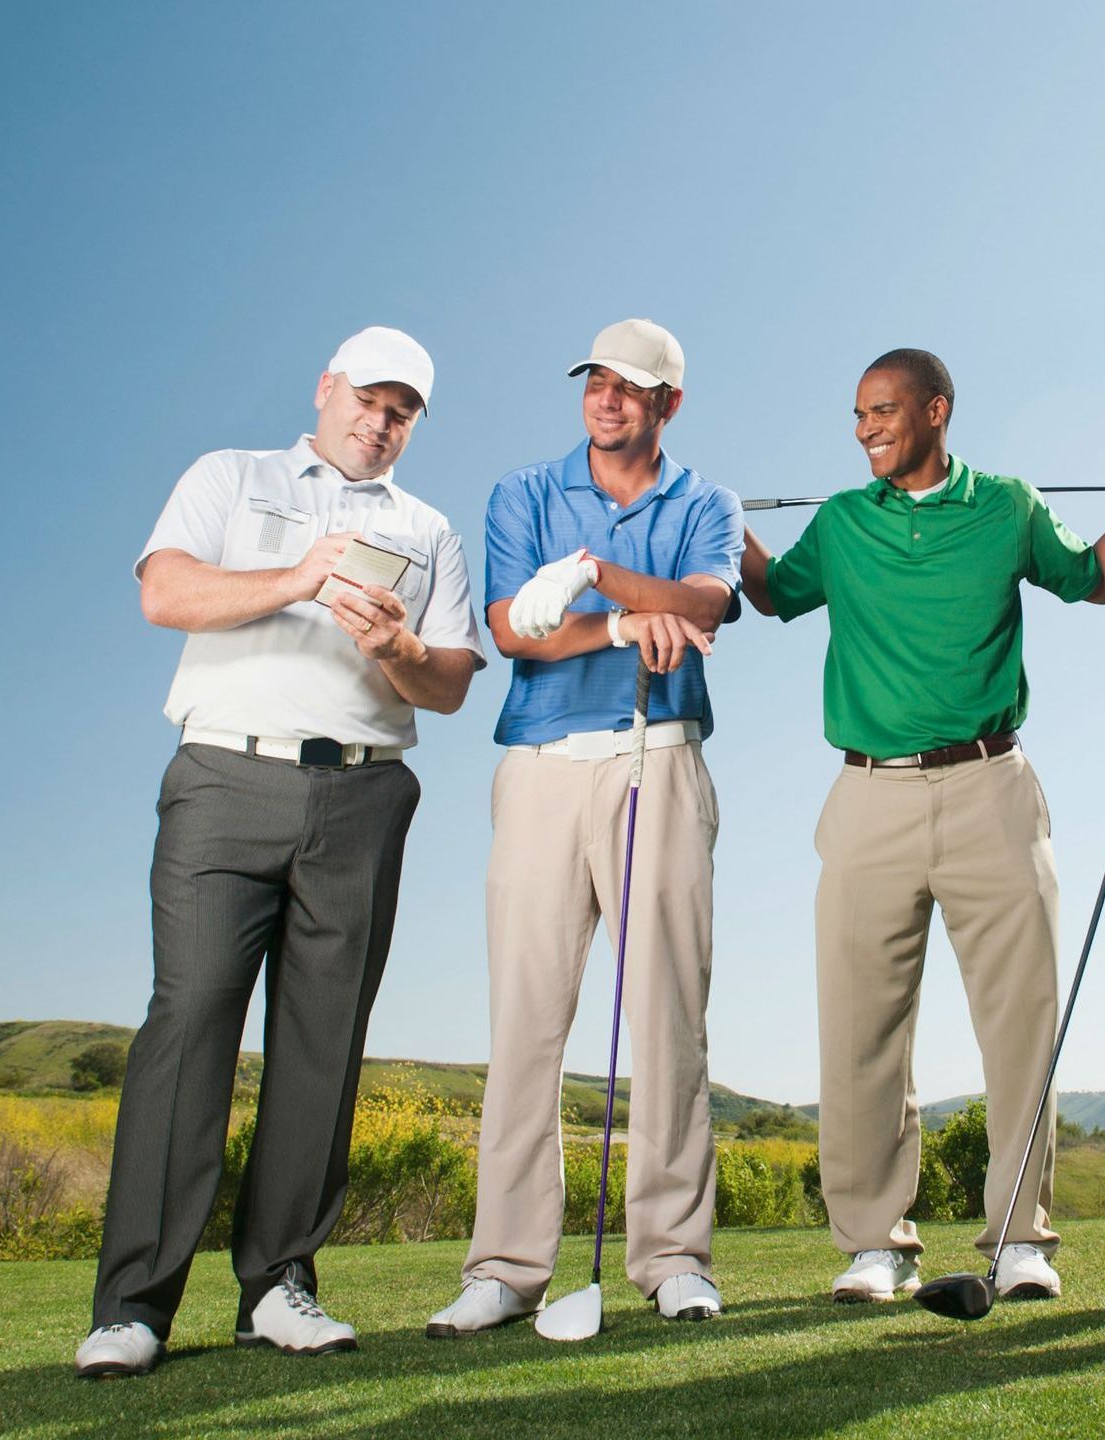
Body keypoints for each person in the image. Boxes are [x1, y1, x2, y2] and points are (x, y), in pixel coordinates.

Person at [77, 326, 486, 1378]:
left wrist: (397, 647)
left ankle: (280, 1285)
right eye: (368, 399)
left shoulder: (431, 530)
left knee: (322, 1041)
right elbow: (165, 593)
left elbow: (447, 684)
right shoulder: (233, 478)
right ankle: (135, 1305)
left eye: (402, 412)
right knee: (192, 1019)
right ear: (326, 388)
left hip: (362, 791)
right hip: (225, 778)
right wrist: (300, 577)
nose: (380, 423)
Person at [740, 348, 1105, 1303]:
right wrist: (720, 527)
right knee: (860, 1027)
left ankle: (1021, 1235)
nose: (866, 429)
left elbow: (1093, 578)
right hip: (868, 796)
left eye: (884, 411)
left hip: (992, 787)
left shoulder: (1009, 506)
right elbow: (773, 596)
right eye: (858, 415)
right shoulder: (843, 521)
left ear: (937, 410)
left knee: (1022, 1021)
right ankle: (873, 1244)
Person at [424, 318, 743, 1336]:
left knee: (667, 1017)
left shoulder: (706, 503)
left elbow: (707, 604)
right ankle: (507, 1266)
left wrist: (602, 577)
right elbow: (518, 627)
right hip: (542, 769)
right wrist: (614, 625)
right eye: (596, 381)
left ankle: (672, 1257)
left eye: (630, 386)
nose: (607, 399)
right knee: (527, 1018)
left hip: (660, 757)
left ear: (668, 405)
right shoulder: (521, 492)